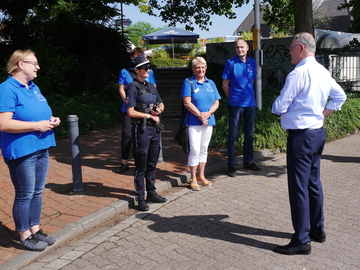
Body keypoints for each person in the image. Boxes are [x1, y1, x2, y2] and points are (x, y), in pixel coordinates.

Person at [272, 32, 347, 255]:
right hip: (317, 133)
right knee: (313, 183)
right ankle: (317, 229)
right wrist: (321, 115)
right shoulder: (322, 71)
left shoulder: (299, 73)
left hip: (301, 136)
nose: (289, 52)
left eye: (291, 48)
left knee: (299, 188)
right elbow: (340, 96)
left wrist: (277, 108)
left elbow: (279, 105)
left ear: (302, 48)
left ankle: (301, 240)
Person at [0, 50, 61, 251]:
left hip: (42, 146)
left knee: (37, 191)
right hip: (22, 150)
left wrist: (52, 120)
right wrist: (37, 126)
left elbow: (40, 112)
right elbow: (4, 123)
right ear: (20, 64)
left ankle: (35, 229)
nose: (38, 67)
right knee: (25, 193)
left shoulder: (33, 87)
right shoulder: (6, 89)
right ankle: (24, 235)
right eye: (34, 63)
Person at [126, 54, 166, 211]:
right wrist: (149, 115)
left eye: (149, 67)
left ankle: (152, 192)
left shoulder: (150, 86)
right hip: (141, 129)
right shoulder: (132, 87)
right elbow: (131, 112)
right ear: (136, 70)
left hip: (154, 129)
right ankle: (140, 197)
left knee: (152, 163)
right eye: (145, 68)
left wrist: (158, 110)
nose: (148, 70)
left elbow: (161, 103)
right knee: (141, 165)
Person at [222, 38, 261, 178]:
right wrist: (232, 98)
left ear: (247, 48)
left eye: (242, 47)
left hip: (250, 104)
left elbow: (251, 81)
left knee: (249, 134)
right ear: (235, 49)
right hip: (236, 104)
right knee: (233, 135)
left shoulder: (252, 63)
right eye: (238, 47)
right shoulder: (230, 63)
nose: (240, 50)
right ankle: (231, 165)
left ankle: (248, 161)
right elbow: (225, 84)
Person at [181, 57, 220, 191]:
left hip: (208, 121)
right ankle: (192, 177)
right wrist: (200, 115)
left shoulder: (211, 83)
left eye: (203, 67)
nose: (200, 69)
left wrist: (208, 114)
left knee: (204, 149)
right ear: (193, 69)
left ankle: (201, 175)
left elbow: (217, 102)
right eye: (198, 67)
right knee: (195, 150)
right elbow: (187, 102)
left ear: (206, 68)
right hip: (194, 122)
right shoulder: (188, 82)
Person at [116, 48, 156, 174]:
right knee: (127, 135)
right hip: (130, 109)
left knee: (145, 135)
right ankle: (124, 163)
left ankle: (142, 162)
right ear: (132, 57)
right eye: (136, 56)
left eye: (142, 56)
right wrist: (128, 102)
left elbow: (154, 89)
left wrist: (154, 107)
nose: (139, 58)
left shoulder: (149, 72)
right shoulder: (125, 72)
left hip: (146, 109)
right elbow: (121, 89)